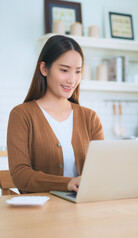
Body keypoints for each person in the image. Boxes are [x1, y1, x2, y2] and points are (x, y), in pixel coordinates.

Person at [7, 35, 104, 193]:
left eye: (78, 71)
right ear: (44, 69)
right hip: (40, 213)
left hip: (84, 210)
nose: (72, 79)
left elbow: (102, 168)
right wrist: (67, 183)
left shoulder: (90, 118)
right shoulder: (21, 115)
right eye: (64, 70)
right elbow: (20, 175)